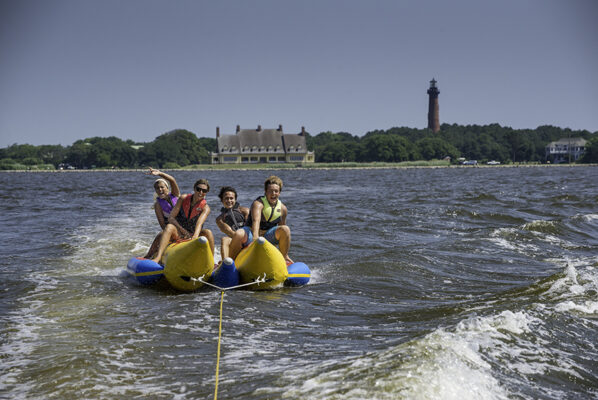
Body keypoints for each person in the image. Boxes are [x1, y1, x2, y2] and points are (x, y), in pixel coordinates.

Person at [151, 178, 215, 263]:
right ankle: (158, 257)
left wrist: (194, 237)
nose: (200, 192)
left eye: (204, 190)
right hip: (179, 232)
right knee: (169, 227)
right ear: (194, 189)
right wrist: (182, 230)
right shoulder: (183, 198)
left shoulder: (206, 208)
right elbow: (171, 218)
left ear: (206, 192)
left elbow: (199, 224)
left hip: (193, 233)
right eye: (198, 189)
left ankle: (211, 262)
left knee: (208, 232)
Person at [246, 175, 293, 265]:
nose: (273, 193)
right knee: (240, 234)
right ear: (266, 191)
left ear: (279, 193)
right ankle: (232, 262)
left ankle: (284, 257)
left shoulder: (283, 209)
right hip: (252, 234)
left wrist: (275, 251)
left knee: (285, 228)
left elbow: (281, 229)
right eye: (270, 191)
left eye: (276, 191)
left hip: (267, 237)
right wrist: (255, 239)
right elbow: (256, 221)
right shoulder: (258, 204)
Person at [144, 167, 180, 258]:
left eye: (162, 187)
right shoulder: (158, 205)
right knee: (161, 234)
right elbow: (162, 224)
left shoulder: (175, 195)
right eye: (157, 188)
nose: (160, 190)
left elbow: (172, 180)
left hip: (185, 228)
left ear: (167, 188)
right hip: (171, 231)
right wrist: (170, 235)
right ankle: (149, 256)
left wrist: (160, 173)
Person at [215, 186, 252, 260]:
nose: (229, 200)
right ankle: (225, 264)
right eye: (226, 198)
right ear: (222, 200)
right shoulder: (220, 219)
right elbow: (228, 231)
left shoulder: (244, 211)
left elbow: (250, 227)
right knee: (224, 239)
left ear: (235, 199)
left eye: (231, 198)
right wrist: (237, 238)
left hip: (247, 238)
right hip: (234, 240)